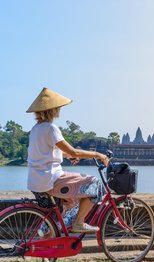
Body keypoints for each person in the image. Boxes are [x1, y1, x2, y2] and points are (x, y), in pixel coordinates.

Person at [26, 87, 109, 233]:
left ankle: (48, 232)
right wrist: (97, 155)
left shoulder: (35, 129)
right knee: (95, 183)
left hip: (35, 181)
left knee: (70, 202)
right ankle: (79, 223)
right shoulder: (51, 128)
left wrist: (67, 156)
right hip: (50, 179)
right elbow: (73, 150)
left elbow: (45, 153)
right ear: (53, 110)